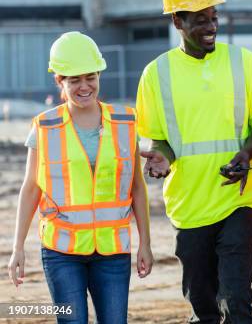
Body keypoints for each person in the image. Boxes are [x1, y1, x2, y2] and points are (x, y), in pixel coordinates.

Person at [136, 0, 252, 323]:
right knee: (204, 307)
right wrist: (160, 160)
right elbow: (160, 138)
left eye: (214, 18)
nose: (211, 26)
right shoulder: (157, 74)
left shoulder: (242, 62)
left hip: (238, 200)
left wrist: (247, 153)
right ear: (176, 21)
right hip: (189, 206)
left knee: (237, 301)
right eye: (200, 20)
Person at [7, 31, 153, 324]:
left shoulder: (125, 122)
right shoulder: (45, 127)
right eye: (74, 80)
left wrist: (145, 244)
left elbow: (137, 187)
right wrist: (17, 247)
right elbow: (31, 188)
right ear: (60, 81)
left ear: (99, 75)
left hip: (112, 250)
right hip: (62, 251)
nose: (84, 86)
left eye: (90, 77)